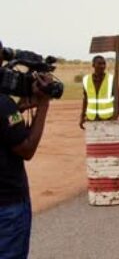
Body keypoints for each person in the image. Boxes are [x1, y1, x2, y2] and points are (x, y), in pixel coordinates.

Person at [0, 71, 52, 258]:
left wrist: (17, 111)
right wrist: (44, 104)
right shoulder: (4, 105)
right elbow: (26, 149)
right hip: (7, 206)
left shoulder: (7, 108)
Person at [79, 55, 119, 129]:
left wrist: (115, 117)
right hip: (91, 120)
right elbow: (86, 100)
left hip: (108, 120)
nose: (102, 66)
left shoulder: (111, 80)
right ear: (93, 65)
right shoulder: (86, 79)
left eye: (104, 64)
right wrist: (82, 117)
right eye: (99, 64)